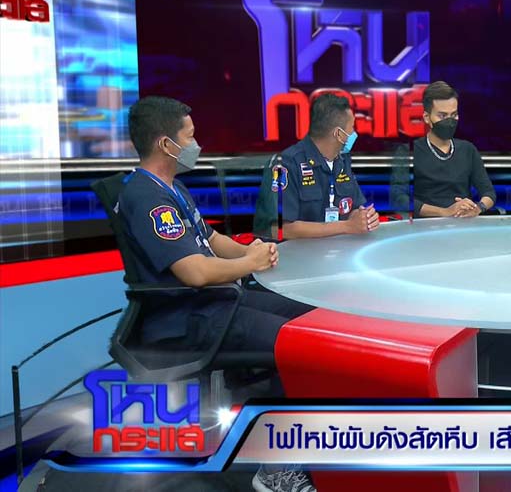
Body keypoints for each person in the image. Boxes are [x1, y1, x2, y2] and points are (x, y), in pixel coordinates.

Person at [118, 96, 316, 492]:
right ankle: (275, 470)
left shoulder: (171, 187)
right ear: (165, 144)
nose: (196, 144)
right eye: (189, 137)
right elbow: (194, 271)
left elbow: (210, 240)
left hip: (217, 302)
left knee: (306, 314)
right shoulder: (146, 197)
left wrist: (251, 251)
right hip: (186, 319)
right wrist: (249, 264)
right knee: (300, 348)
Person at [392, 81, 497, 218]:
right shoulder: (408, 152)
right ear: (427, 117)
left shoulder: (468, 150)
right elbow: (399, 198)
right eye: (442, 116)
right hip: (424, 227)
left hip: (462, 225)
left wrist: (478, 208)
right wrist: (444, 212)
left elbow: (489, 193)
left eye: (454, 115)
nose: (450, 121)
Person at [281, 94, 380, 238]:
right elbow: (286, 229)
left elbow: (353, 207)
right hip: (303, 250)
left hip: (341, 248)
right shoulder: (289, 163)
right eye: (352, 127)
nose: (354, 133)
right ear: (338, 134)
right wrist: (347, 226)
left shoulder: (343, 159)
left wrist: (364, 217)